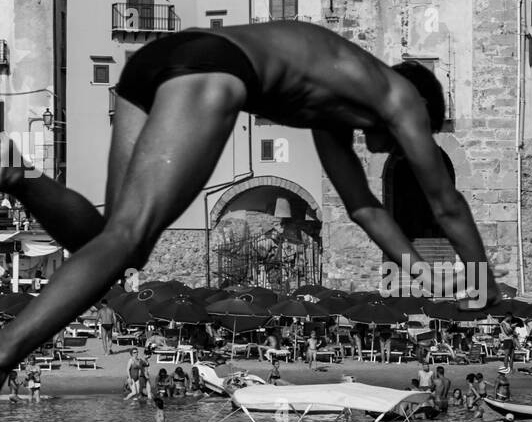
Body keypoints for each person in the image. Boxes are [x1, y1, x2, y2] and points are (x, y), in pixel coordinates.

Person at [0, 24, 500, 387]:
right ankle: (6, 353)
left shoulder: (338, 105)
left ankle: (13, 173)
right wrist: (482, 277)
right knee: (128, 238)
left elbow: (363, 207)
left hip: (157, 61)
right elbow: (447, 203)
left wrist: (417, 271)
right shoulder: (403, 96)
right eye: (414, 138)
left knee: (108, 241)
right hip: (213, 70)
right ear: (423, 110)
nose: (398, 150)